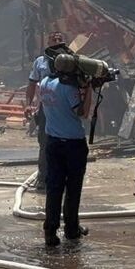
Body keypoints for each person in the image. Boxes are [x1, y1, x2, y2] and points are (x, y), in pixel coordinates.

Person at [38, 69, 90, 247]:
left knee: (54, 187)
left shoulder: (44, 83)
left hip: (53, 142)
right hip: (73, 143)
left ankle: (50, 231)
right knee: (73, 188)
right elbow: (82, 113)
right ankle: (71, 229)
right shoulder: (68, 88)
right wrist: (88, 90)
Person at [26, 31, 71, 191]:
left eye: (60, 39)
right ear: (48, 42)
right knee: (45, 142)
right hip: (46, 108)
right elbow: (32, 83)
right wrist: (28, 104)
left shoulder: (70, 61)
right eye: (54, 39)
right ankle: (43, 177)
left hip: (64, 109)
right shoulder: (40, 62)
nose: (57, 41)